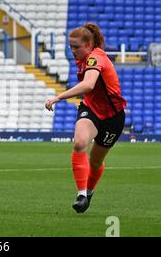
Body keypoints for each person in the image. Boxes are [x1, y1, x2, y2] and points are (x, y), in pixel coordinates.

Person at [45, 22, 126, 213]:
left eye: (76, 47)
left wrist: (58, 97)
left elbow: (89, 85)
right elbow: (90, 91)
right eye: (70, 47)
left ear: (89, 46)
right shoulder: (83, 57)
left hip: (113, 117)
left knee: (96, 162)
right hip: (91, 109)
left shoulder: (95, 57)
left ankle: (89, 193)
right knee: (80, 143)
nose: (72, 51)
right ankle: (81, 194)